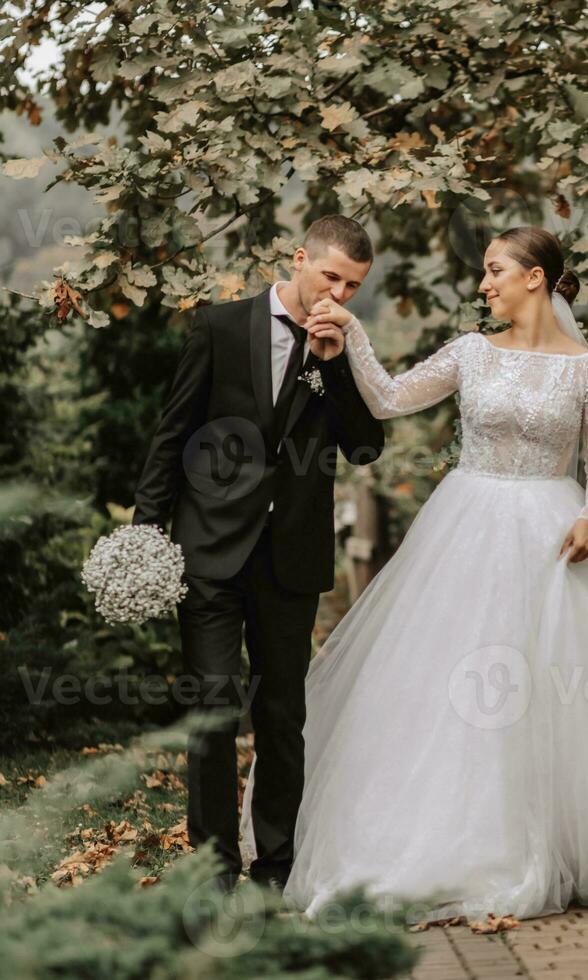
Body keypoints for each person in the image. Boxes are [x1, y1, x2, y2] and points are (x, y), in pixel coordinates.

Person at [240, 226, 588, 921]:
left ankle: (572, 839)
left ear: (535, 278)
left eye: (494, 271)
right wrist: (353, 333)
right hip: (466, 524)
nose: (484, 285)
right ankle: (448, 841)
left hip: (553, 530)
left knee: (558, 689)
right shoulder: (471, 353)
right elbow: (392, 398)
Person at [132, 215, 385, 892]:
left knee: (281, 717)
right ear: (299, 259)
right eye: (330, 275)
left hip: (291, 561)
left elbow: (365, 446)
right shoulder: (218, 327)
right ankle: (213, 869)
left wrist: (334, 366)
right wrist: (144, 534)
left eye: (353, 286)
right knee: (212, 710)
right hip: (207, 551)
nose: (340, 292)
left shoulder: (342, 344)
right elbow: (171, 434)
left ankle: (276, 868)